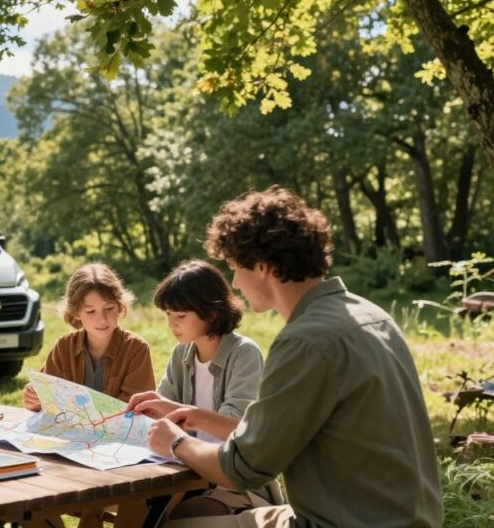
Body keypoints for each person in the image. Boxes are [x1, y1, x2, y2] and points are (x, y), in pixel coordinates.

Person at [134, 187, 442, 527]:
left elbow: (241, 469)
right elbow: (266, 434)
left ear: (263, 267)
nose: (234, 282)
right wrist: (196, 416)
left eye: (235, 267)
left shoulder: (305, 341)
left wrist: (176, 443)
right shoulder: (372, 315)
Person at [130, 259, 276, 521]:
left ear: (211, 313)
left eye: (181, 316)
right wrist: (151, 409)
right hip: (181, 472)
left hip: (231, 481)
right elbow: (164, 410)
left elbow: (236, 426)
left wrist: (173, 412)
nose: (172, 324)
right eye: (168, 315)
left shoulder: (244, 353)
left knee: (182, 516)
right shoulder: (180, 353)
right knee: (135, 510)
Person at [22, 263, 155, 410]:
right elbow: (44, 399)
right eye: (91, 311)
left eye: (109, 308)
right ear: (75, 312)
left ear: (120, 306)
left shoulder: (136, 349)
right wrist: (34, 400)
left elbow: (138, 409)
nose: (102, 319)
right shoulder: (63, 347)